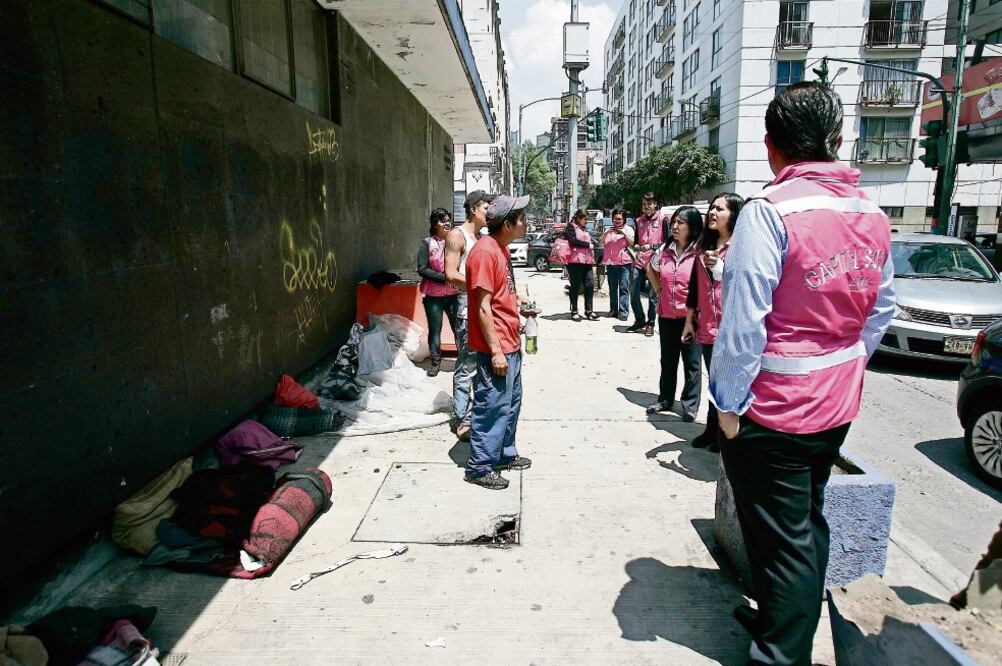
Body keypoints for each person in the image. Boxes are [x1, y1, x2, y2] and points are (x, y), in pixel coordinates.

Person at [709, 82, 895, 666]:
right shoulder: (870, 211)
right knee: (803, 522)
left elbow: (743, 321)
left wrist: (728, 405)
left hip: (775, 409)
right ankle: (777, 611)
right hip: (835, 403)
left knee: (785, 538)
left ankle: (781, 654)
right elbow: (882, 310)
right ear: (836, 141)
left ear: (771, 147)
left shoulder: (770, 212)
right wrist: (845, 363)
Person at [463, 194, 534, 490]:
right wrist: (495, 351)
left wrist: (520, 301)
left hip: (511, 340)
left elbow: (502, 291)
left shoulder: (500, 249)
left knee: (511, 403)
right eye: (521, 218)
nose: (525, 223)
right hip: (498, 345)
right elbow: (482, 306)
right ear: (507, 224)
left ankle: (504, 453)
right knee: (492, 405)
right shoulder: (484, 252)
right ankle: (479, 466)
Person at [682, 193, 744, 449]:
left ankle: (722, 433)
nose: (713, 213)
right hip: (707, 323)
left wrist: (720, 267)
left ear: (733, 215)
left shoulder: (741, 247)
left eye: (720, 209)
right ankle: (710, 430)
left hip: (731, 325)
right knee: (713, 380)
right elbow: (694, 287)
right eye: (712, 208)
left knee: (726, 383)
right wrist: (689, 320)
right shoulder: (703, 246)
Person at [646, 206, 703, 422]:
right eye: (674, 222)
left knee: (692, 363)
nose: (675, 226)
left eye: (681, 223)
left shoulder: (700, 252)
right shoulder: (665, 249)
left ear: (693, 227)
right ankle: (665, 399)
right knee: (668, 360)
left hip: (691, 317)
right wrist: (659, 290)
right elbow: (650, 269)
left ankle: (689, 405)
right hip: (667, 314)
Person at [444, 190, 493, 442]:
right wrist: (480, 286)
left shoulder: (482, 237)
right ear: (473, 209)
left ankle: (472, 414)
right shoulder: (457, 235)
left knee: (480, 367)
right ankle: (460, 416)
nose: (490, 213)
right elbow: (451, 274)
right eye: (487, 208)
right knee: (466, 367)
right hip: (466, 311)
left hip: (483, 309)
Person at [417, 208, 460, 377]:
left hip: (454, 294)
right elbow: (422, 269)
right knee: (435, 330)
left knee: (459, 328)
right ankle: (435, 363)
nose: (447, 223)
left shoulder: (456, 242)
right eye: (442, 220)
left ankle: (463, 360)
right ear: (435, 225)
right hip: (433, 296)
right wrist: (445, 277)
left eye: (448, 219)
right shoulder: (427, 243)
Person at [627, 192, 665, 337]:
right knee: (633, 291)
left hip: (655, 262)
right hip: (639, 261)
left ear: (655, 204)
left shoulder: (662, 220)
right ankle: (640, 320)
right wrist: (636, 246)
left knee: (652, 296)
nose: (646, 207)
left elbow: (668, 243)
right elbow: (636, 241)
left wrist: (652, 247)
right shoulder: (638, 221)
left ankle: (650, 323)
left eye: (649, 204)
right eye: (644, 204)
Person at [600, 209, 634, 320]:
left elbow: (633, 243)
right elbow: (600, 241)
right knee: (612, 288)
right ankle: (613, 310)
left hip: (624, 264)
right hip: (611, 264)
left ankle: (623, 312)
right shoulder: (608, 229)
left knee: (624, 288)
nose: (617, 221)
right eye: (615, 219)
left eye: (619, 219)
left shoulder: (629, 229)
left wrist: (624, 234)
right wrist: (606, 233)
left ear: (624, 219)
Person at [565, 209, 598, 321]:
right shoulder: (570, 227)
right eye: (585, 219)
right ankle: (574, 310)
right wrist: (587, 245)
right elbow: (573, 241)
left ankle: (589, 310)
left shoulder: (584, 229)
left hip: (587, 260)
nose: (586, 221)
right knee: (575, 287)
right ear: (578, 218)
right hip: (574, 261)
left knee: (590, 284)